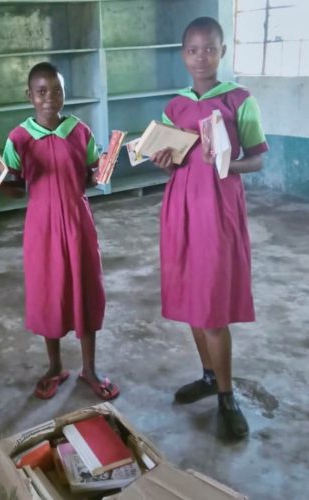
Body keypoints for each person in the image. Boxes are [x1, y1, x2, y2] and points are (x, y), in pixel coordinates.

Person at [151, 17, 268, 439]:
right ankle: (206, 375)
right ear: (184, 55)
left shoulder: (239, 100)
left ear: (222, 51)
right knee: (190, 294)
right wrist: (163, 159)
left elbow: (256, 157)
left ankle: (226, 394)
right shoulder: (175, 106)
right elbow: (169, 157)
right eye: (194, 50)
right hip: (181, 206)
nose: (202, 57)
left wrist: (227, 165)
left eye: (210, 49)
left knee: (214, 304)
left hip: (218, 208)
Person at [0, 62, 119, 401]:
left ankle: (90, 368)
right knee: (48, 293)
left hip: (77, 221)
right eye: (41, 92)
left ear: (64, 93)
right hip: (41, 226)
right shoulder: (18, 138)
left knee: (86, 290)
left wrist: (103, 169)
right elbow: (16, 188)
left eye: (56, 90)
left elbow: (88, 177)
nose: (49, 98)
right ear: (29, 96)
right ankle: (55, 366)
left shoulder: (80, 131)